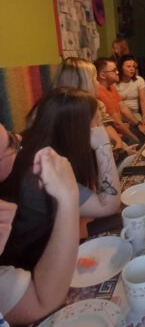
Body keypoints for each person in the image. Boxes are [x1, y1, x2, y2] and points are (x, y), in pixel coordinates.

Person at [0, 88, 120, 271]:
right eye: (97, 121)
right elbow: (109, 205)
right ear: (78, 129)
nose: (100, 127)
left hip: (42, 246)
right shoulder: (42, 167)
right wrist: (103, 146)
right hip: (32, 264)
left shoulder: (36, 142)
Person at [0, 124, 79, 325]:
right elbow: (42, 301)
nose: (19, 137)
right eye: (11, 142)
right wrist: (68, 198)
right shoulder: (32, 177)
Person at [53, 56, 135, 157]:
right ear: (83, 83)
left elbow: (107, 127)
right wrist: (122, 153)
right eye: (95, 79)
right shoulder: (79, 112)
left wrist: (119, 147)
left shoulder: (96, 104)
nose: (98, 83)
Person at [95, 58, 145, 144]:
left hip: (122, 126)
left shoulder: (111, 86)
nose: (117, 72)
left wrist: (138, 124)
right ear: (102, 75)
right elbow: (117, 124)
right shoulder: (100, 92)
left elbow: (123, 108)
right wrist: (136, 139)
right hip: (115, 135)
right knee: (143, 141)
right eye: (114, 70)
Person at [116, 55, 145, 132]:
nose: (132, 69)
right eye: (128, 66)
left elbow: (143, 100)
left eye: (133, 66)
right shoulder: (114, 82)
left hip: (135, 113)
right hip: (120, 114)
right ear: (121, 68)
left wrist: (144, 117)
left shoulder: (139, 80)